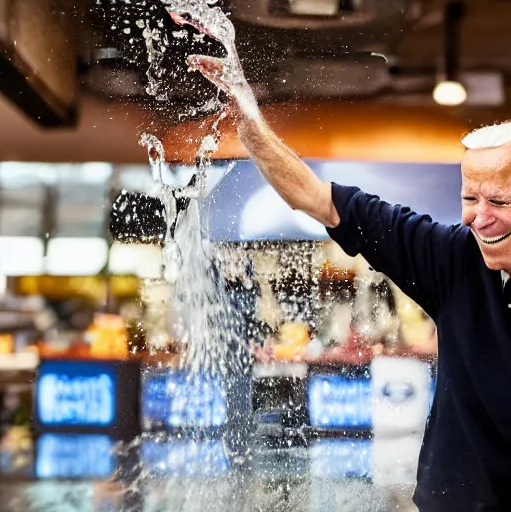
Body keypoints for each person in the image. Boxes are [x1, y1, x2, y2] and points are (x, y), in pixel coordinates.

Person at [186, 52, 511, 511]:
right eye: (468, 197)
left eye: (498, 199)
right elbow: (320, 200)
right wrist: (250, 125)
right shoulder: (451, 257)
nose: (480, 217)